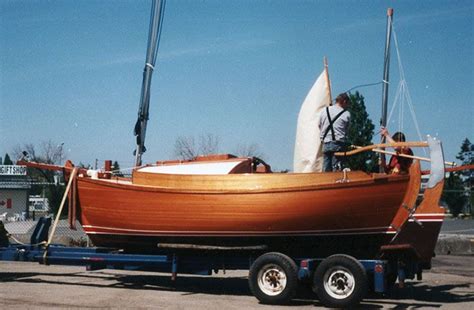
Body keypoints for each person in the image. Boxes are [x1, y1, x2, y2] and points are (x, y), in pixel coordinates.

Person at [319, 93, 351, 172]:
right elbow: (347, 130)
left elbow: (319, 125)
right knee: (336, 170)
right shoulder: (346, 114)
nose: (347, 106)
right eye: (347, 104)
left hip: (326, 143)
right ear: (344, 101)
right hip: (338, 144)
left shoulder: (324, 111)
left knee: (326, 169)